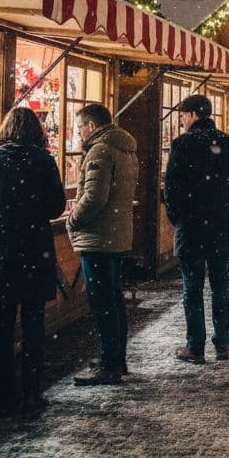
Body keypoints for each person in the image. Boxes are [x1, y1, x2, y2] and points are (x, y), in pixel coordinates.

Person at [0, 107, 66, 416]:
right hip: (35, 252)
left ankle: (6, 395)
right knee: (34, 324)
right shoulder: (43, 162)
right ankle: (32, 393)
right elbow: (55, 207)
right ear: (36, 133)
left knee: (2, 325)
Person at [165, 95, 229, 364]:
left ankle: (195, 346)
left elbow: (172, 190)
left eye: (182, 116)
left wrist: (178, 218)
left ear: (191, 116)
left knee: (193, 288)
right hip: (220, 226)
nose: (182, 121)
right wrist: (224, 208)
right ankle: (222, 344)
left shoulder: (182, 145)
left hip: (191, 227)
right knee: (221, 286)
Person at [67, 103, 138, 386]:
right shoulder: (125, 147)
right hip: (116, 233)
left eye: (80, 128)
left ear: (92, 126)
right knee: (114, 299)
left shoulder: (100, 150)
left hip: (99, 236)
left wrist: (73, 219)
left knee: (103, 302)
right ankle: (115, 357)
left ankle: (109, 364)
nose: (79, 133)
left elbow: (95, 196)